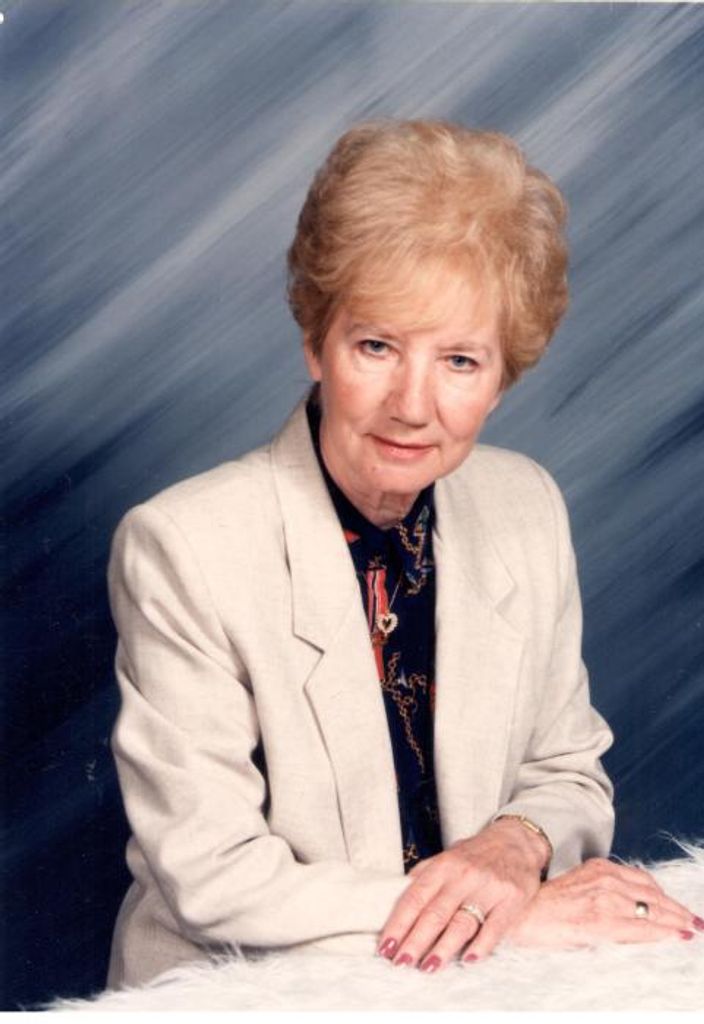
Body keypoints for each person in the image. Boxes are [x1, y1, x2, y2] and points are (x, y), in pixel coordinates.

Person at [106, 120, 700, 989]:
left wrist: (515, 845)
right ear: (316, 342)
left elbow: (567, 769)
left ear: (502, 379)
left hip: (470, 986)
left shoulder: (525, 505)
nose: (413, 406)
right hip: (248, 989)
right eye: (377, 346)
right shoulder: (185, 546)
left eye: (460, 360)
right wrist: (508, 917)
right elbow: (212, 874)